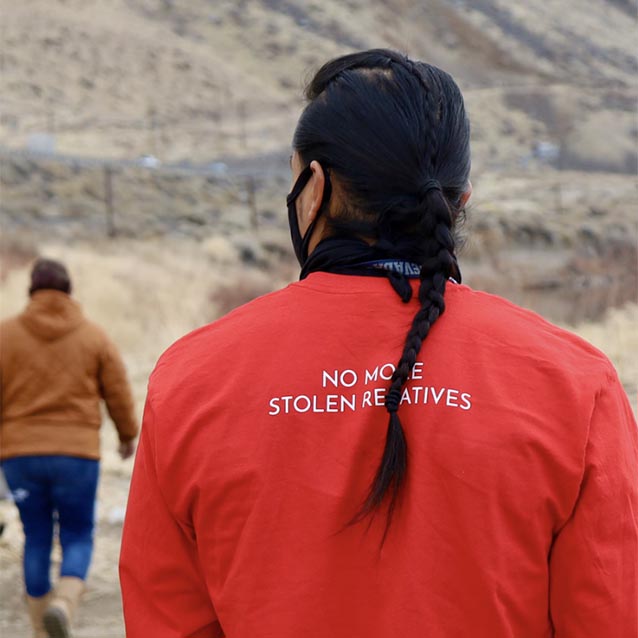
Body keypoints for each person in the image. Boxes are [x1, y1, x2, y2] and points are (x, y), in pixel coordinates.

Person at [119, 49, 638, 637]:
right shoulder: (574, 384)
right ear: (460, 199)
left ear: (312, 189)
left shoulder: (192, 379)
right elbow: (611, 616)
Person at [0, 258, 139, 638]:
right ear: (69, 292)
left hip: (19, 456)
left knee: (36, 536)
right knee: (77, 533)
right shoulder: (93, 336)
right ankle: (64, 602)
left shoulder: (5, 335)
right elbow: (118, 390)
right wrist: (127, 436)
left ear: (31, 291)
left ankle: (39, 629)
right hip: (77, 455)